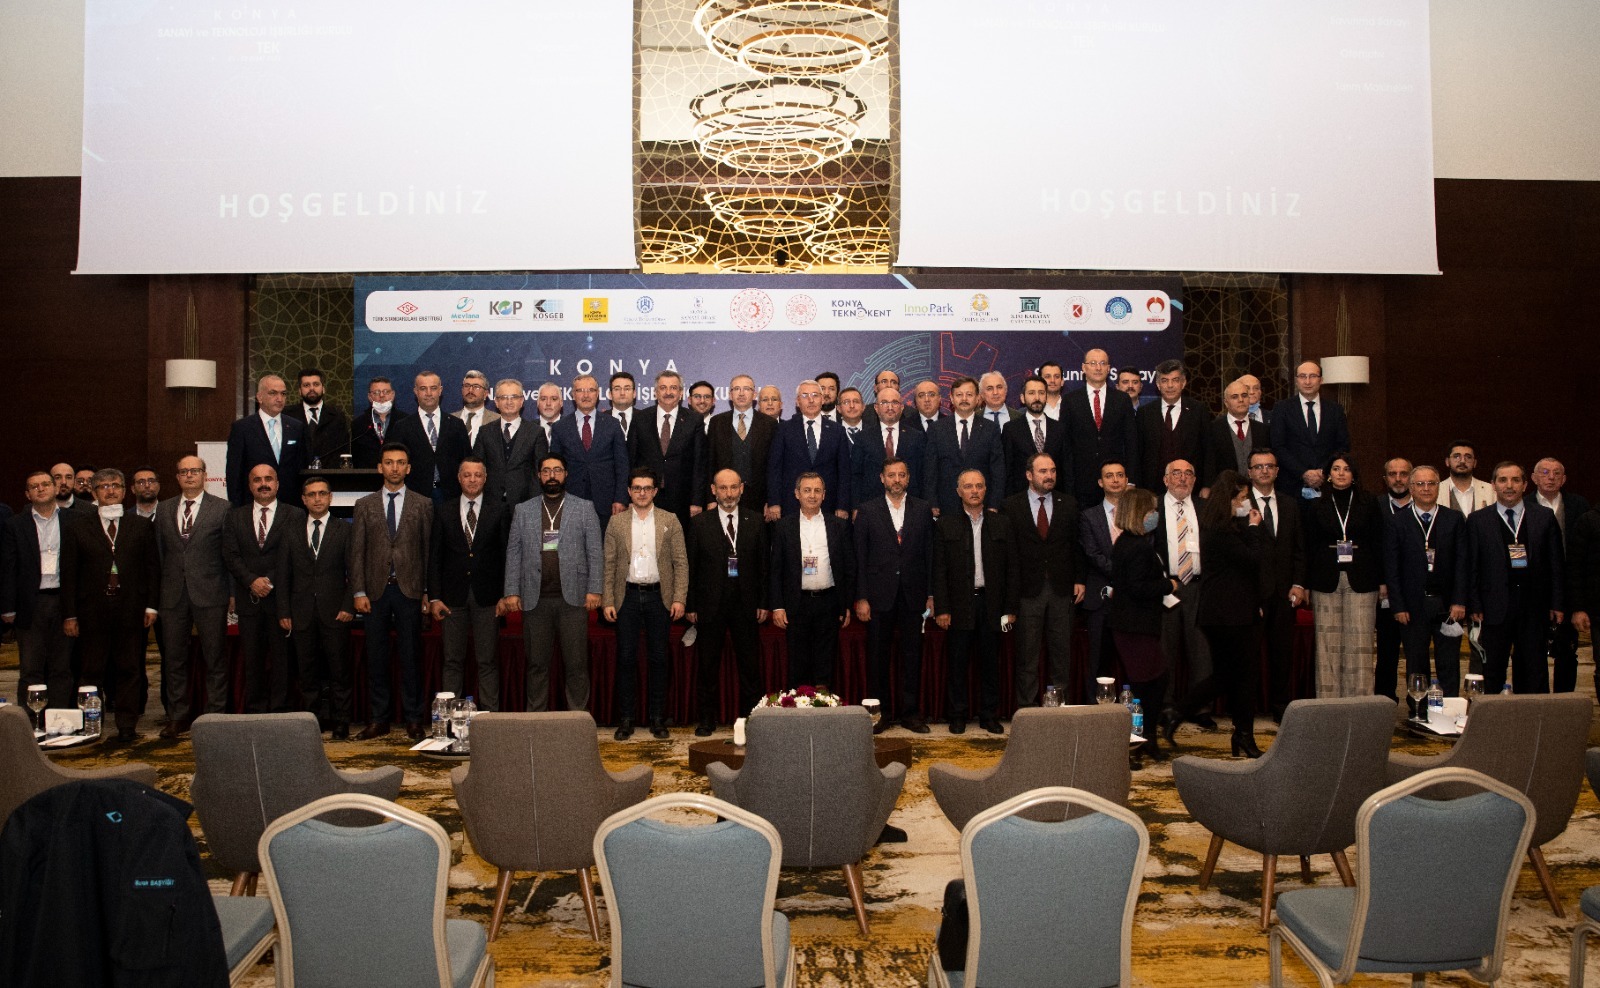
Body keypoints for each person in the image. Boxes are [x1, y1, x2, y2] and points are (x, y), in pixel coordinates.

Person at [60, 468, 158, 743]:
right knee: (91, 671)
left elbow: (152, 569)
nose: (110, 490)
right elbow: (69, 574)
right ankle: (92, 726)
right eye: (103, 486)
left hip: (131, 610)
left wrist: (151, 606)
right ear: (94, 493)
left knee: (130, 669)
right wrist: (70, 614)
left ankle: (127, 725)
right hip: (91, 612)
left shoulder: (141, 526)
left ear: (125, 491)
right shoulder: (77, 527)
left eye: (115, 485)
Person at [500, 452, 603, 712]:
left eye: (557, 470)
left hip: (573, 599)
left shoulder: (584, 507)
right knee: (536, 664)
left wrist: (595, 589)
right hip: (535, 600)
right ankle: (536, 718)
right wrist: (511, 590)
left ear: (566, 474)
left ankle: (577, 719)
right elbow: (513, 551)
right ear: (539, 476)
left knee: (576, 664)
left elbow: (595, 551)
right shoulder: (523, 510)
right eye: (546, 471)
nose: (552, 476)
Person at [350, 443, 432, 739]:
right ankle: (379, 719)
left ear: (408, 468)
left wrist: (427, 591)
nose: (394, 467)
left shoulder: (423, 504)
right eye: (389, 462)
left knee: (411, 658)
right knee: (377, 658)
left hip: (410, 591)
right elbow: (357, 552)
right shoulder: (364, 504)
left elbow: (427, 551)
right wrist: (358, 591)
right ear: (379, 467)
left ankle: (413, 719)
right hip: (375, 593)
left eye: (400, 462)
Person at [602, 466, 687, 740]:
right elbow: (609, 564)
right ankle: (626, 719)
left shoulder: (669, 520)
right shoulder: (616, 522)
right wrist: (608, 600)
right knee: (626, 658)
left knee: (659, 659)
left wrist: (679, 598)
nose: (642, 493)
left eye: (647, 488)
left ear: (655, 491)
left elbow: (680, 563)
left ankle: (657, 718)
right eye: (637, 488)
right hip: (626, 597)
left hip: (658, 598)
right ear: (629, 491)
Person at [1464, 461, 1564, 694]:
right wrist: (1474, 603)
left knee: (1534, 671)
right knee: (1492, 671)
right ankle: (1491, 716)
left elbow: (1556, 565)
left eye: (1515, 480)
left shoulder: (1544, 517)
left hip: (1533, 607)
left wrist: (1557, 603)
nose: (1509, 486)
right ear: (1493, 485)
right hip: (1493, 608)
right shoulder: (1478, 520)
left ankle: (1532, 716)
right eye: (1503, 480)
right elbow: (1471, 566)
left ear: (1525, 485)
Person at [932, 469, 1019, 735]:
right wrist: (942, 608)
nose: (974, 491)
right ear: (958, 491)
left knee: (990, 664)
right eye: (968, 486)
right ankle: (957, 715)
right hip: (959, 605)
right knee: (957, 663)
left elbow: (1013, 569)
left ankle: (989, 715)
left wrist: (1010, 609)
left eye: (979, 486)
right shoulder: (946, 524)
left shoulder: (1002, 523)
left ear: (985, 490)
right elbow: (939, 570)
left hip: (992, 604)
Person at [853, 456, 935, 733]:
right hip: (879, 596)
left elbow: (930, 555)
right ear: (882, 478)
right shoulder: (867, 510)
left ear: (908, 478)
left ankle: (911, 714)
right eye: (891, 475)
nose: (896, 480)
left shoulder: (922, 509)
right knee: (878, 659)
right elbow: (860, 558)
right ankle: (881, 715)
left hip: (914, 595)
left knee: (912, 657)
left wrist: (931, 594)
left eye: (901, 475)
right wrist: (862, 597)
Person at [686, 469, 770, 735]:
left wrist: (764, 602)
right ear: (713, 490)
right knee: (707, 666)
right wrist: (691, 605)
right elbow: (691, 567)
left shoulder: (756, 521)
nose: (729, 493)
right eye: (723, 488)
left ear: (742, 488)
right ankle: (706, 719)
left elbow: (764, 567)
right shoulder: (700, 523)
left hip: (747, 605)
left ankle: (751, 719)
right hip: (710, 605)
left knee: (750, 667)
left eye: (734, 487)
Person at [152, 455, 231, 734]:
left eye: (194, 471)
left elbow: (229, 554)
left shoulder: (222, 508)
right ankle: (178, 715)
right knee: (174, 659)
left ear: (205, 475)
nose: (189, 475)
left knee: (215, 658)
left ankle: (215, 715)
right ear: (177, 477)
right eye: (183, 471)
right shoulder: (164, 509)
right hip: (172, 595)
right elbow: (159, 554)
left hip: (211, 593)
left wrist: (232, 593)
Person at [1002, 452, 1084, 710]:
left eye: (1053, 470)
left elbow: (1077, 545)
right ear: (1029, 475)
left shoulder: (1068, 503)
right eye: (1043, 471)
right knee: (1027, 655)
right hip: (1027, 590)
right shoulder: (1011, 506)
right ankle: (1027, 709)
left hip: (1062, 588)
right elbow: (1008, 554)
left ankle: (1059, 710)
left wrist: (1079, 579)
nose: (1049, 476)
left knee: (1061, 654)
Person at [427, 457, 508, 713]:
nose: (472, 480)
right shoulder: (443, 510)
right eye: (467, 475)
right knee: (452, 660)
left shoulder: (499, 509)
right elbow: (435, 557)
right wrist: (434, 597)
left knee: (487, 661)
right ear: (459, 478)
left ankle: (490, 718)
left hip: (489, 597)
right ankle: (450, 718)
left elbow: (507, 555)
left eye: (477, 475)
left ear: (485, 478)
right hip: (452, 598)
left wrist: (506, 594)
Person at [221, 463, 302, 714]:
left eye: (268, 479)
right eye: (257, 480)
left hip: (282, 601)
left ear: (277, 484)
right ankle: (255, 709)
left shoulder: (295, 515)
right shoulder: (234, 516)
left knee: (282, 659)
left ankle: (280, 708)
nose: (263, 484)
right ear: (250, 485)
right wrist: (251, 581)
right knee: (252, 659)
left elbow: (296, 556)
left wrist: (268, 581)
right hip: (249, 599)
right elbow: (230, 555)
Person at [1196, 469, 1265, 758]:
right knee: (1236, 675)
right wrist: (1254, 527)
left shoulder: (1225, 525)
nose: (1246, 502)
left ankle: (1243, 734)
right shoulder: (1221, 529)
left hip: (1236, 611)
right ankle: (1180, 710)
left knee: (1237, 676)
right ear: (1229, 498)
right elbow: (1252, 559)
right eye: (1242, 497)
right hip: (1228, 614)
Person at [1383, 466, 1468, 699]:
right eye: (1420, 484)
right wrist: (1398, 606)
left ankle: (1449, 708)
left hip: (1447, 605)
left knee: (1449, 662)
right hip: (1412, 606)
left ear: (1439, 487)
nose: (1426, 488)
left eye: (1431, 483)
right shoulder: (1397, 521)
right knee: (1416, 662)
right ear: (1411, 488)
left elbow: (1462, 563)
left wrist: (1460, 600)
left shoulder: (1453, 519)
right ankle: (1418, 710)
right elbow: (1392, 568)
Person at [1303, 453, 1384, 698]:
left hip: (1363, 578)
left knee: (1360, 643)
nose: (1341, 473)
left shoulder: (1369, 502)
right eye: (1336, 468)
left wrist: (1383, 580)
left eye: (1346, 469)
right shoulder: (1316, 505)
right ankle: (1328, 704)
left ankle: (1359, 703)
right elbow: (1308, 546)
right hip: (1324, 578)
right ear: (1328, 474)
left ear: (1354, 474)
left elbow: (1378, 542)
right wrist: (1305, 583)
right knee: (1327, 645)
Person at [282, 475, 357, 737]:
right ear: (303, 499)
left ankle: (341, 720)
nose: (317, 499)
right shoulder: (291, 530)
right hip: (300, 612)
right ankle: (311, 721)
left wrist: (349, 606)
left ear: (330, 497)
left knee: (339, 670)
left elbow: (354, 571)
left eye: (322, 493)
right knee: (307, 672)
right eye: (312, 494)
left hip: (336, 611)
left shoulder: (344, 529)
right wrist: (284, 611)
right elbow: (284, 574)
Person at [1108, 486, 1175, 763]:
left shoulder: (1129, 541)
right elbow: (1137, 587)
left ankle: (1146, 739)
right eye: (1151, 510)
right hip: (1135, 626)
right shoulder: (1136, 547)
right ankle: (1136, 744)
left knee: (1152, 682)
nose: (1155, 515)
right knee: (1146, 685)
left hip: (1135, 625)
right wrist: (1168, 585)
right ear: (1139, 513)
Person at [770, 473, 854, 689]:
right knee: (798, 664)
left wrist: (845, 604)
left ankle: (823, 705)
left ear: (824, 495)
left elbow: (848, 568)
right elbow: (776, 569)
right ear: (797, 494)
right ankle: (799, 704)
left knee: (825, 664)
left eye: (817, 491)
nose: (812, 495)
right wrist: (778, 606)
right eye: (807, 490)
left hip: (828, 602)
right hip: (797, 603)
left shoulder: (838, 525)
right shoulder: (783, 526)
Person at [1, 472, 76, 709]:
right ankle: (30, 720)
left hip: (64, 602)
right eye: (34, 486)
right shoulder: (15, 525)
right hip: (30, 603)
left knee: (61, 666)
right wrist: (8, 607)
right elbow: (8, 567)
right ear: (27, 494)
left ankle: (59, 718)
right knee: (31, 667)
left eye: (45, 484)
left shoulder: (73, 520)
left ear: (55, 488)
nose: (41, 489)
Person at [1152, 459, 1216, 737]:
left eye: (1188, 473)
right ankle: (1165, 706)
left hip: (1199, 587)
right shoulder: (1153, 508)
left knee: (1201, 650)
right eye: (1176, 473)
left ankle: (1200, 707)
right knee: (1164, 649)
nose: (1182, 478)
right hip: (1167, 586)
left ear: (1194, 479)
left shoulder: (1205, 507)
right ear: (1165, 479)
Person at [1245, 449, 1308, 720]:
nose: (1264, 471)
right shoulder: (1239, 503)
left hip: (1284, 593)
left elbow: (1299, 549)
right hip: (1252, 594)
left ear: (1277, 471)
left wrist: (1299, 584)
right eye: (1258, 467)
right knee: (1248, 656)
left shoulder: (1290, 504)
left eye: (1269, 466)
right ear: (1249, 472)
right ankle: (1247, 708)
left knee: (1282, 654)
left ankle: (1281, 705)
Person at [1531, 457, 1589, 693]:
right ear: (1534, 478)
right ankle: (1537, 701)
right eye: (1545, 472)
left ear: (1564, 479)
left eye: (1556, 473)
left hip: (1568, 590)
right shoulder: (1524, 504)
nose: (1551, 477)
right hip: (1533, 591)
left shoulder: (1578, 506)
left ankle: (1563, 701)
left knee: (1567, 651)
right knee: (1532, 651)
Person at [625, 370, 703, 529]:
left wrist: (696, 500)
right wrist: (629, 498)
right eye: (663, 388)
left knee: (678, 541)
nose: (668, 392)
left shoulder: (694, 420)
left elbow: (699, 463)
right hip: (646, 495)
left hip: (682, 498)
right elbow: (631, 460)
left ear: (681, 393)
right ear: (655, 392)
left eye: (673, 388)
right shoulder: (640, 418)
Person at [765, 380, 852, 519]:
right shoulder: (784, 429)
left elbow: (844, 472)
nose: (811, 400)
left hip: (828, 505)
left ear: (822, 399)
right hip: (791, 504)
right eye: (805, 396)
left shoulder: (837, 431)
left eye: (815, 395)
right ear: (797, 402)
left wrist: (842, 505)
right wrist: (774, 502)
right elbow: (774, 469)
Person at [1063, 349, 1138, 505]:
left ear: (1109, 368)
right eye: (1093, 363)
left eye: (1103, 363)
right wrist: (1068, 484)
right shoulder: (1070, 400)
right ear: (1083, 368)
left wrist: (1130, 480)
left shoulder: (1122, 399)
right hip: (1081, 483)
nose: (1098, 368)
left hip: (1116, 482)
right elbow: (1066, 446)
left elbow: (1131, 443)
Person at [552, 372, 631, 524]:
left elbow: (622, 465)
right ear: (573, 394)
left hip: (607, 503)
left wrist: (621, 498)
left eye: (591, 390)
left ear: (598, 394)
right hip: (570, 501)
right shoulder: (560, 427)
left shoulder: (613, 424)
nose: (586, 395)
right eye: (580, 390)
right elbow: (555, 468)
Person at [1079, 459, 1127, 702]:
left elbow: (1148, 548)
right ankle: (1094, 708)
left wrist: (1129, 578)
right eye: (1109, 476)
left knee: (1131, 658)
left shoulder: (1140, 514)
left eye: (1120, 475)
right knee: (1097, 659)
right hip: (1099, 598)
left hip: (1132, 599)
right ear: (1100, 482)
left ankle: (1131, 708)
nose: (1115, 480)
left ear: (1126, 480)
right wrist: (1125, 574)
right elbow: (1092, 553)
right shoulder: (1088, 516)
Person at [922, 376, 1005, 514]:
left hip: (982, 504)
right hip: (946, 504)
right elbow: (930, 469)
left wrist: (994, 503)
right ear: (952, 398)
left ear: (978, 398)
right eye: (959, 395)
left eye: (969, 394)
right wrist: (932, 502)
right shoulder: (937, 429)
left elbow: (998, 469)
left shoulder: (990, 428)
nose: (964, 399)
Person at [1268, 360, 1350, 498]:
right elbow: (1278, 446)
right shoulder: (1282, 409)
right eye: (1302, 376)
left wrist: (1323, 471)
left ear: (1321, 380)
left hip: (1327, 483)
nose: (1307, 381)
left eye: (1312, 376)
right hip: (1292, 485)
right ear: (1296, 380)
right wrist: (1303, 473)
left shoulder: (1335, 410)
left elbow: (1343, 446)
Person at [225, 373, 306, 506]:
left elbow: (302, 468)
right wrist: (237, 509)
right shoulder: (242, 428)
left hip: (290, 505)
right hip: (253, 504)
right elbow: (234, 474)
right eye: (273, 393)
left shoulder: (296, 427)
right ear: (260, 397)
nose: (279, 398)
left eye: (283, 394)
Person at [391, 370, 470, 505]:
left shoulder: (456, 424)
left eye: (433, 388)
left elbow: (466, 461)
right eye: (423, 389)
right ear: (416, 391)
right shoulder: (402, 426)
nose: (428, 393)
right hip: (414, 497)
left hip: (451, 496)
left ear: (440, 390)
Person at [1372, 457, 1414, 702]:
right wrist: (1380, 580)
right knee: (1387, 650)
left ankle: (1417, 701)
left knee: (1416, 652)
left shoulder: (1424, 506)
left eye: (1404, 474)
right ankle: (1385, 700)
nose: (1398, 479)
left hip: (1416, 591)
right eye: (1392, 474)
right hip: (1385, 591)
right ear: (1385, 479)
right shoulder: (1374, 507)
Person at [705, 373, 777, 513]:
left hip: (760, 500)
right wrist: (711, 499)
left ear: (754, 394)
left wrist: (772, 500)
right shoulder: (717, 422)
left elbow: (774, 466)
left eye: (746, 389)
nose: (741, 393)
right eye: (736, 389)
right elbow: (710, 463)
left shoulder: (770, 424)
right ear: (730, 395)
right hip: (724, 498)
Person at [1134, 360, 1207, 491]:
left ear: (1183, 383)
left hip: (1191, 487)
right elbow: (1138, 452)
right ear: (1158, 384)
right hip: (1152, 488)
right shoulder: (1145, 412)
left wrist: (1207, 485)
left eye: (1175, 380)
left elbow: (1208, 451)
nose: (1170, 385)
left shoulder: (1198, 410)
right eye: (1164, 380)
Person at [475, 377, 546, 508]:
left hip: (524, 503)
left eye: (514, 397)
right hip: (490, 503)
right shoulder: (485, 432)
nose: (509, 402)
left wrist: (533, 505)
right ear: (496, 402)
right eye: (504, 397)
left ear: (521, 401)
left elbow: (539, 472)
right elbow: (477, 468)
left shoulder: (536, 432)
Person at [856, 385, 926, 506]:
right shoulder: (863, 437)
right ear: (876, 408)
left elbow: (922, 474)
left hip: (910, 504)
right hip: (871, 504)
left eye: (895, 402)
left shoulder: (916, 437)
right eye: (884, 403)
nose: (890, 407)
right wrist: (856, 506)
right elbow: (856, 475)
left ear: (902, 407)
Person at [1000, 375, 1068, 497]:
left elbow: (1067, 469)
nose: (1037, 398)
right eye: (1031, 393)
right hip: (1021, 498)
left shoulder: (1060, 429)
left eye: (1041, 393)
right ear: (1022, 398)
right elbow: (1007, 470)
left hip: (1055, 497)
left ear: (1046, 397)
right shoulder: (1011, 429)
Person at [1202, 378, 1268, 495]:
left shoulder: (1262, 429)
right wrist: (1207, 486)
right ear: (1226, 402)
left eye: (1244, 395)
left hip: (1256, 493)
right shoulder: (1213, 428)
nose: (1241, 400)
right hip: (1224, 493)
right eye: (1235, 397)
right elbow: (1208, 462)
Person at [285, 366, 351, 465]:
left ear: (323, 388)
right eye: (306, 385)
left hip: (328, 473)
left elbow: (343, 452)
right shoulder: (288, 415)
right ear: (299, 391)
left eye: (316, 384)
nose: (312, 388)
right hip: (297, 472)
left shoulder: (337, 416)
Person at [351, 377, 409, 470]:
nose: (382, 395)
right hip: (367, 476)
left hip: (397, 474)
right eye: (376, 392)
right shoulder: (358, 424)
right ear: (370, 397)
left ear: (393, 395)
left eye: (386, 392)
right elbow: (356, 457)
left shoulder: (405, 421)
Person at [1440, 441, 1493, 516]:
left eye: (1468, 457)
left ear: (1474, 463)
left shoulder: (1491, 490)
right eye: (1456, 456)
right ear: (1447, 461)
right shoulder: (1437, 490)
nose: (1462, 461)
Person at [452, 369, 499, 448]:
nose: (470, 390)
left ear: (485, 394)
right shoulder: (449, 419)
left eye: (476, 387)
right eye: (467, 386)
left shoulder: (497, 420)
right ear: (462, 390)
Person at [607, 371, 637, 441]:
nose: (622, 393)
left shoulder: (645, 419)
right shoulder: (601, 420)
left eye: (627, 389)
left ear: (634, 394)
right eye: (617, 389)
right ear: (610, 394)